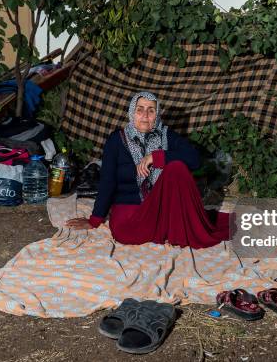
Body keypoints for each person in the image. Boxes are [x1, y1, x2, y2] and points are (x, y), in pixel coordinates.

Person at [66, 92, 230, 249]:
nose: (145, 115)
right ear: (132, 112)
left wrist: (156, 157)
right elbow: (107, 181)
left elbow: (195, 159)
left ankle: (170, 226)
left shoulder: (166, 135)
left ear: (157, 114)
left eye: (151, 110)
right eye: (140, 109)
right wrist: (95, 219)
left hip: (163, 209)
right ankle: (168, 228)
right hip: (132, 214)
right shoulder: (116, 141)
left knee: (176, 167)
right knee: (124, 233)